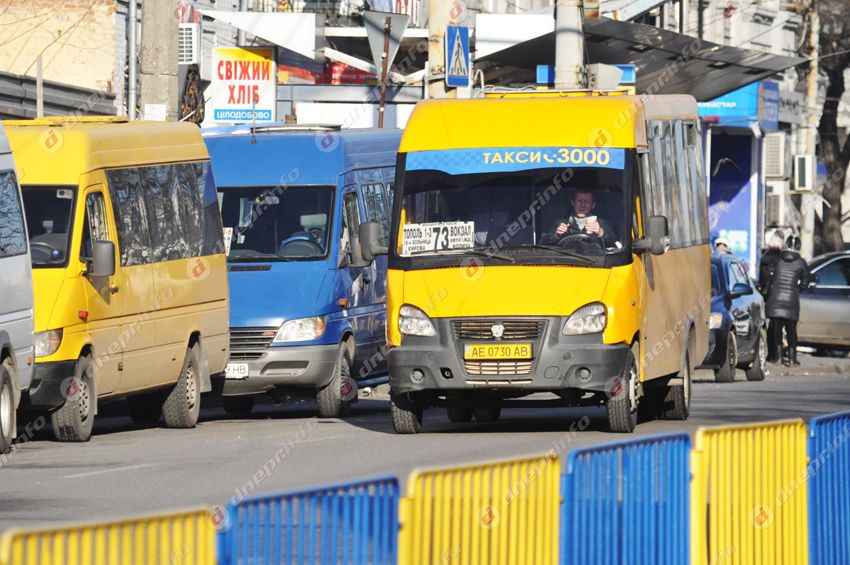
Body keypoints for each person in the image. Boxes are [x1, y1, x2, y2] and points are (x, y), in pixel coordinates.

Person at [765, 234, 810, 366]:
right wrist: (795, 290)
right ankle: (792, 358)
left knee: (776, 331)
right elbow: (805, 283)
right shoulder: (801, 262)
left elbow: (769, 277)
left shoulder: (777, 260)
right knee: (791, 331)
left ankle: (777, 357)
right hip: (791, 301)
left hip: (775, 300)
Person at [541, 190, 615, 247]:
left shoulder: (602, 223)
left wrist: (600, 232)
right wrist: (556, 235)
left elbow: (613, 243)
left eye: (586, 202)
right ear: (572, 203)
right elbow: (543, 244)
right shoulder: (560, 223)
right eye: (579, 201)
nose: (582, 205)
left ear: (593, 205)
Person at [758, 229, 785, 362]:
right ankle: (778, 354)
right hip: (780, 294)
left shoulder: (764, 258)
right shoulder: (782, 258)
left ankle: (771, 354)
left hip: (767, 295)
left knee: (769, 325)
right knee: (778, 326)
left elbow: (762, 279)